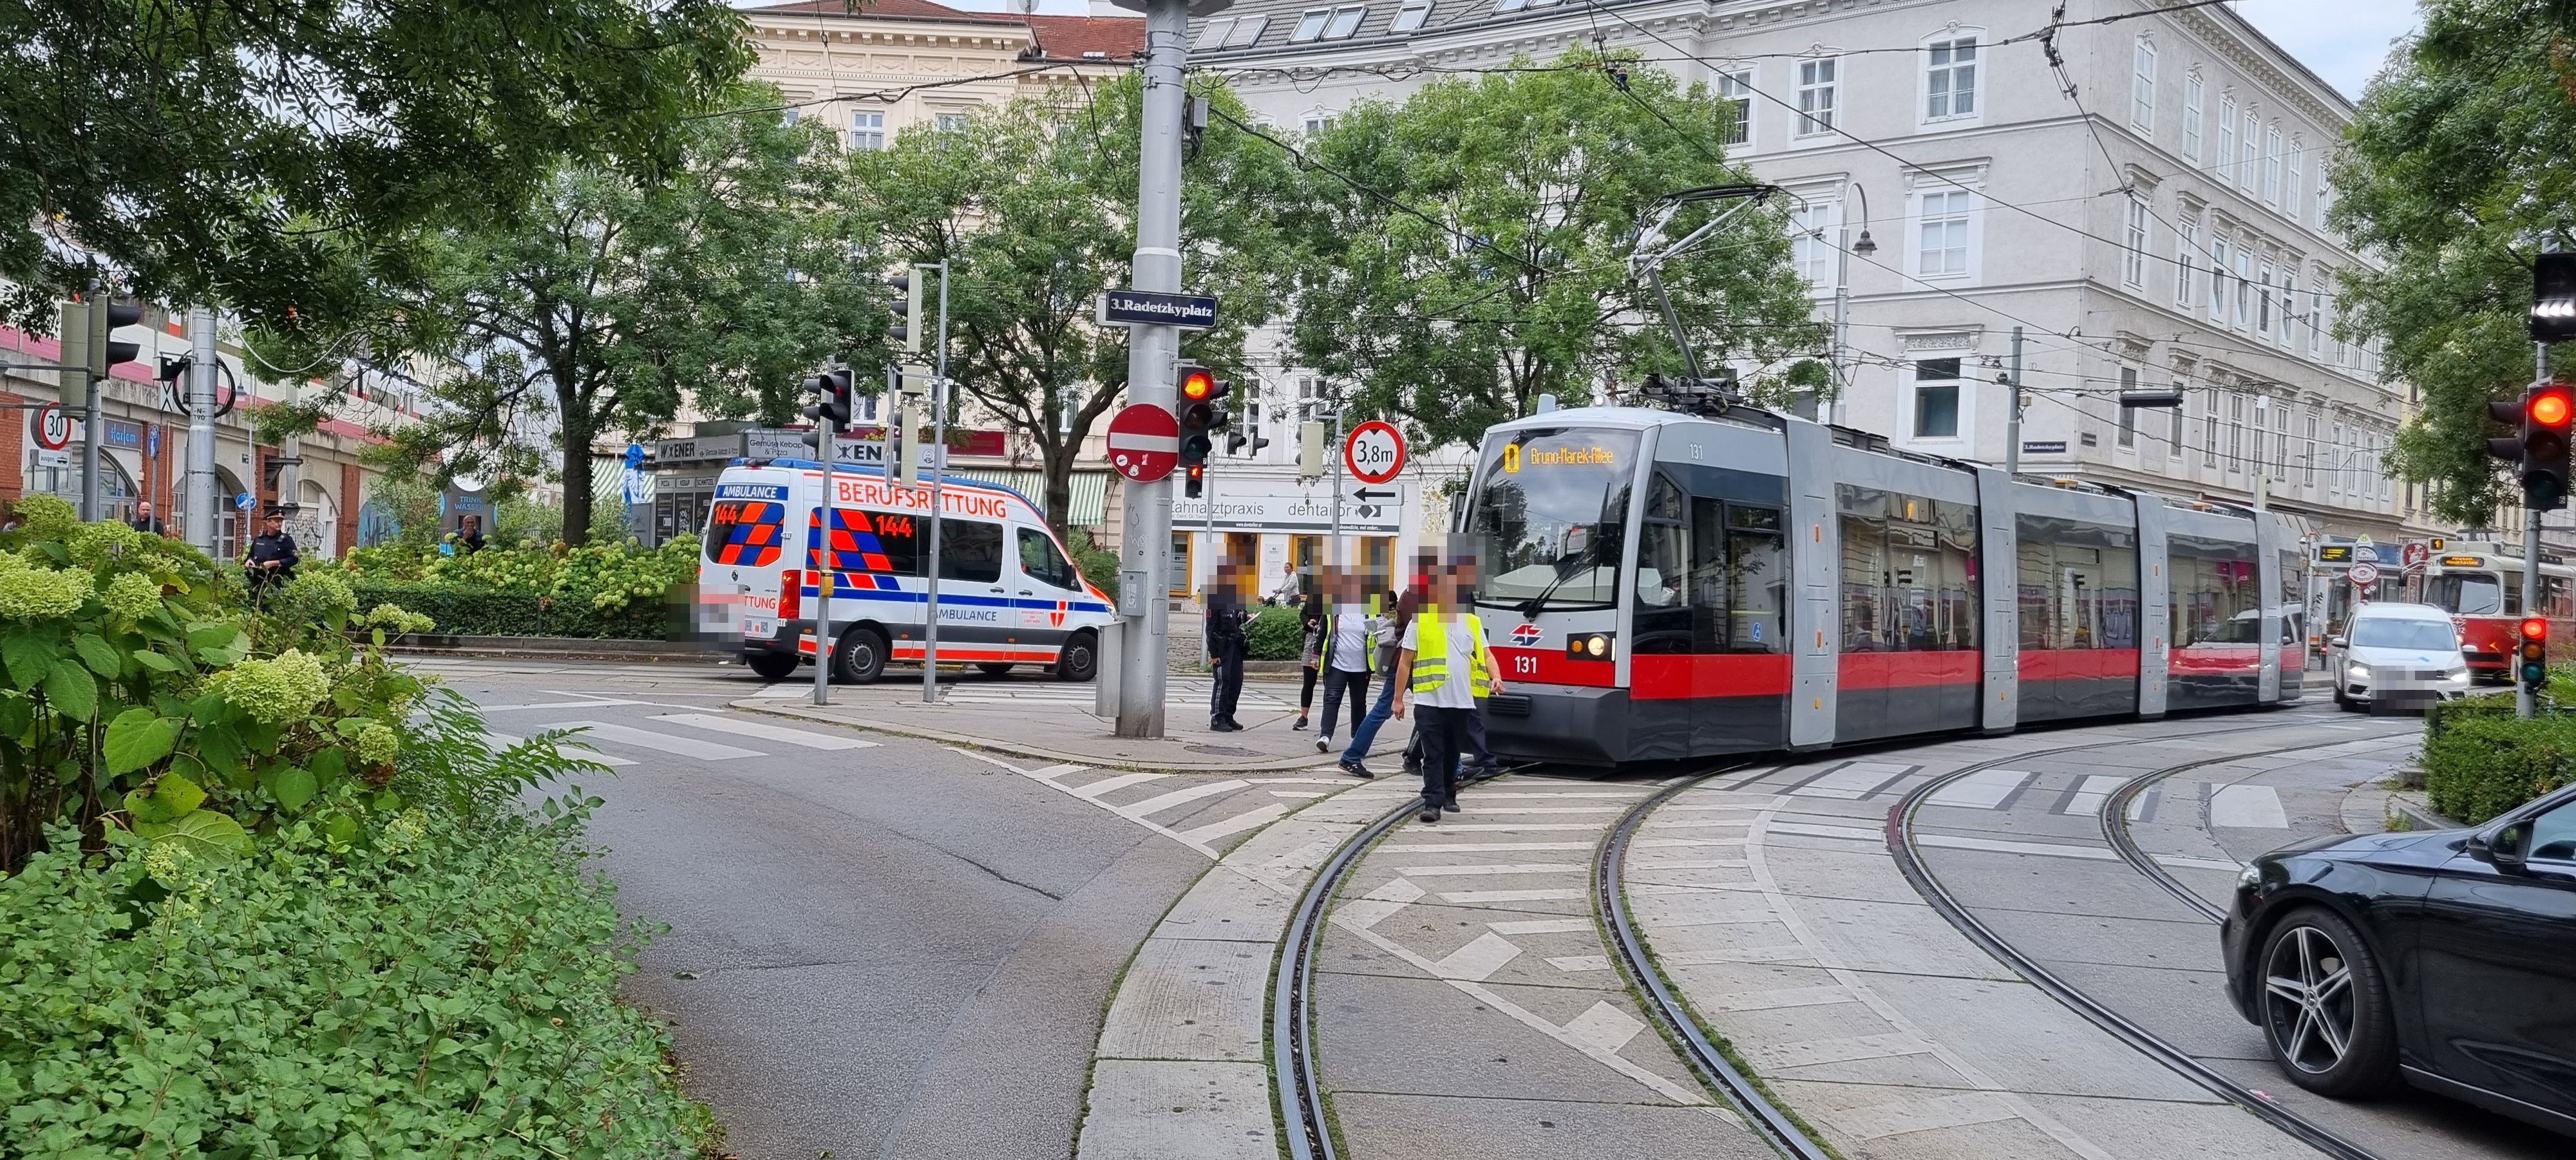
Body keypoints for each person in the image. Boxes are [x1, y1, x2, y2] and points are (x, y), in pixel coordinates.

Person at [1390, 559, 1503, 823]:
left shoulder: (1472, 622)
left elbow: (1486, 654)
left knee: (1452, 752)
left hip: (1461, 702)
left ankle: (1449, 792)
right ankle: (1432, 802)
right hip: (1429, 699)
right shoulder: (1420, 622)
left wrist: (1496, 676)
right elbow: (1405, 662)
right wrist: (1398, 699)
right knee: (1433, 753)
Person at [1338, 548, 1438, 778]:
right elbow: (1423, 628)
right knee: (1387, 711)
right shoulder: (1416, 596)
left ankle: (1415, 757)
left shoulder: (1412, 594)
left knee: (1431, 711)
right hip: (1409, 662)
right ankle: (1352, 757)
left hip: (1415, 662)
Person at [1314, 569, 1380, 756]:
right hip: (1337, 664)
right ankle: (1325, 736)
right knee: (1332, 698)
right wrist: (1316, 655)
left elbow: (1377, 635)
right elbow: (1323, 632)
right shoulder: (1333, 609)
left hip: (1361, 666)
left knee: (1359, 702)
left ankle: (1357, 738)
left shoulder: (1370, 610)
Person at [1206, 556, 1253, 731]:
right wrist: (1214, 654)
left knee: (1236, 681)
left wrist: (1245, 617)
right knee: (1223, 681)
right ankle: (1217, 718)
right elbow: (1210, 628)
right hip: (1222, 646)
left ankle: (1228, 715)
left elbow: (1239, 616)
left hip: (1236, 644)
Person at [244, 507, 300, 600]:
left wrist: (275, 563)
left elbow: (294, 559)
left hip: (276, 583)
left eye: (281, 521)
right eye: (276, 521)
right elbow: (251, 555)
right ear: (268, 522)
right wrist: (250, 561)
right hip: (258, 582)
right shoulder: (259, 539)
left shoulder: (286, 540)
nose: (280, 523)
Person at [1291, 585, 1323, 729]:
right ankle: (1304, 716)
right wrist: (1307, 622)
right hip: (1312, 638)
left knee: (1332, 684)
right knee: (1309, 682)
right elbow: (1303, 613)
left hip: (1330, 640)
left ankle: (1328, 718)